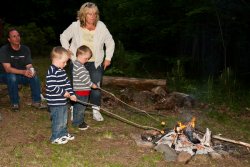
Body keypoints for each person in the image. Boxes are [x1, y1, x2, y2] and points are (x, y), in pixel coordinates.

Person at [60, 2, 115, 121]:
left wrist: (108, 58)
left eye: (95, 14)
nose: (92, 16)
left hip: (95, 62)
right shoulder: (75, 26)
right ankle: (75, 108)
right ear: (83, 15)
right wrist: (67, 50)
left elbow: (110, 42)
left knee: (95, 85)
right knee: (77, 86)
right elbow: (63, 36)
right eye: (89, 14)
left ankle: (96, 109)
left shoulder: (101, 26)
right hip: (77, 61)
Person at [0, 28, 46, 111]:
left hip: (21, 75)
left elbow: (29, 65)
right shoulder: (4, 49)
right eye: (14, 36)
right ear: (9, 39)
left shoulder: (25, 49)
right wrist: (23, 72)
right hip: (5, 76)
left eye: (18, 36)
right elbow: (8, 69)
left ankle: (36, 102)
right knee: (12, 77)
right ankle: (15, 103)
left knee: (34, 76)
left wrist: (31, 70)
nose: (17, 38)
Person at [45, 46, 77, 144]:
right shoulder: (52, 71)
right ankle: (55, 137)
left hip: (62, 101)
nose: (66, 64)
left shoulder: (62, 71)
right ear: (56, 59)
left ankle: (63, 134)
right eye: (64, 62)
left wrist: (71, 94)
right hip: (55, 102)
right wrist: (63, 92)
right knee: (58, 120)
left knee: (63, 119)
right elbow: (51, 86)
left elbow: (67, 83)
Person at [72, 45, 97, 130]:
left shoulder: (79, 65)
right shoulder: (78, 66)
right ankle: (78, 123)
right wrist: (92, 84)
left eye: (88, 59)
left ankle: (79, 120)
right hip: (81, 92)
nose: (87, 60)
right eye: (86, 58)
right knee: (80, 108)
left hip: (83, 91)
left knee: (80, 107)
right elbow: (84, 78)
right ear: (79, 55)